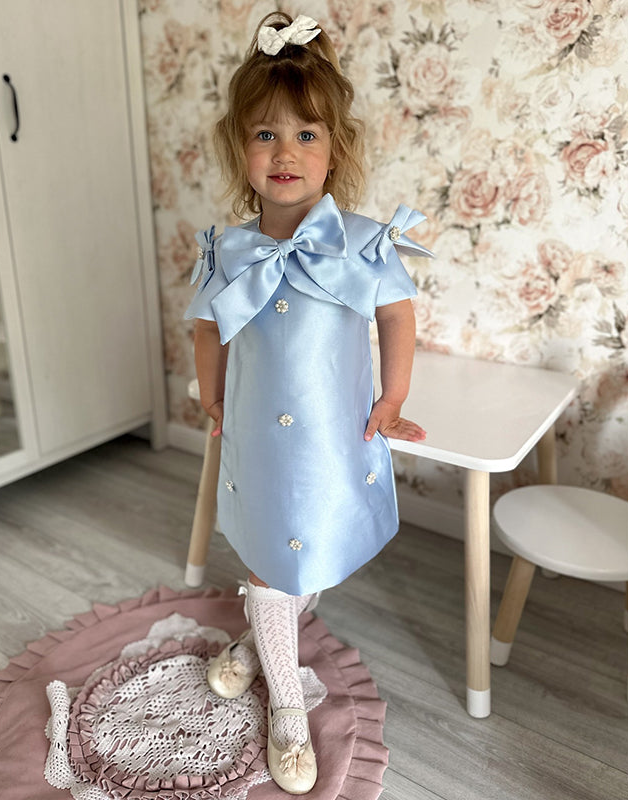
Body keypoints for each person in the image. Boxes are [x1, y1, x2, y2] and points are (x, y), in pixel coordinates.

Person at [184, 11, 433, 795]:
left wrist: (394, 394)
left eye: (305, 135)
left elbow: (397, 315)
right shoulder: (229, 251)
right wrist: (212, 395)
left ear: (335, 149)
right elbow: (206, 327)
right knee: (268, 560)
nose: (284, 152)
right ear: (240, 149)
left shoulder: (361, 242)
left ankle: (255, 646)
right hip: (259, 439)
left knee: (311, 549)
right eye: (265, 135)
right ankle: (287, 709)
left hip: (330, 438)